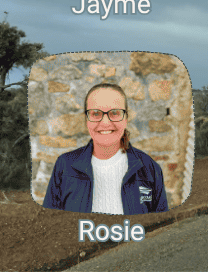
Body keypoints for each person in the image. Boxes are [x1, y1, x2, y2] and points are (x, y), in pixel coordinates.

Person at [43, 83, 169, 214]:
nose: (105, 123)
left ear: (126, 118)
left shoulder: (150, 169)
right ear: (86, 119)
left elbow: (162, 227)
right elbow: (51, 223)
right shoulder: (64, 166)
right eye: (96, 113)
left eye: (114, 113)